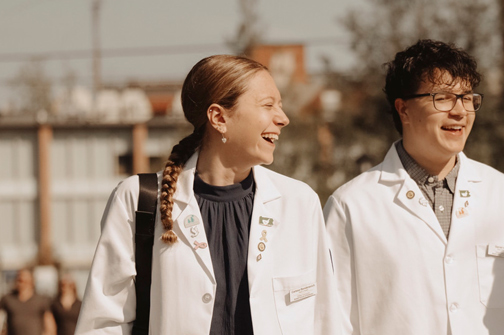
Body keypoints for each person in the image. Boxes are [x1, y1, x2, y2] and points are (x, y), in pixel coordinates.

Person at [76, 55, 345, 335]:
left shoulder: (300, 203)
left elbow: (326, 320)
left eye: (280, 105)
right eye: (268, 105)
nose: (283, 118)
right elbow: (104, 323)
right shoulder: (139, 199)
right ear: (219, 117)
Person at [323, 39, 504, 335]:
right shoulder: (352, 205)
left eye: (467, 98)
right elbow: (332, 321)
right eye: (443, 98)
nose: (460, 111)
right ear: (404, 110)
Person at [0, 268, 55, 335]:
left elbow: (49, 324)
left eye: (25, 281)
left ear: (32, 281)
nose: (22, 283)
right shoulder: (8, 298)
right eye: (19, 280)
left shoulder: (41, 300)